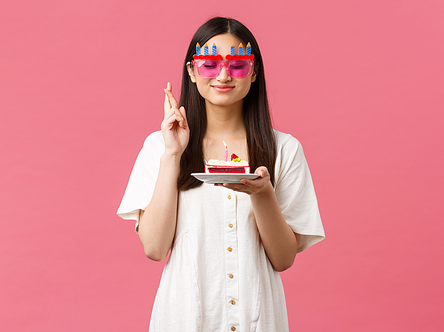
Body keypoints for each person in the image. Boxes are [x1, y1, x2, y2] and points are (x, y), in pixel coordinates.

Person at [117, 17, 325, 332]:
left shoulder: (285, 150)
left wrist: (263, 194)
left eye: (238, 65)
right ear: (191, 70)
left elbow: (283, 259)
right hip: (184, 318)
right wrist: (173, 154)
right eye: (210, 64)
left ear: (254, 72)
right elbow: (155, 248)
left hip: (258, 321)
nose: (223, 75)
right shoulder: (159, 146)